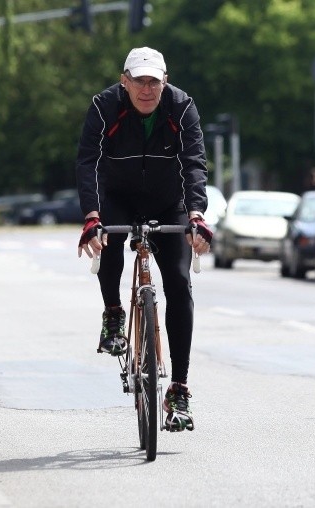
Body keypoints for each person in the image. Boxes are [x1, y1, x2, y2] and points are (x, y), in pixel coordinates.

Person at [75, 47, 212, 432]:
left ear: (164, 81)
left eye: (154, 81)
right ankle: (114, 314)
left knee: (179, 283)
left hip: (170, 202)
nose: (147, 89)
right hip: (118, 198)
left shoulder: (182, 107)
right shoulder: (105, 106)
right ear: (125, 81)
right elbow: (87, 161)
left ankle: (179, 388)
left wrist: (197, 215)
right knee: (109, 238)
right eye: (139, 81)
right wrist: (91, 216)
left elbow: (195, 162)